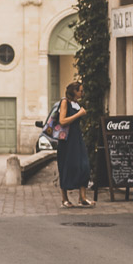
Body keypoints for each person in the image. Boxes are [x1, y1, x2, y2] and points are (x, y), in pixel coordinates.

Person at [57, 80, 93, 208]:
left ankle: (82, 198)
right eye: (80, 91)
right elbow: (62, 121)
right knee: (66, 167)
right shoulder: (65, 102)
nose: (82, 93)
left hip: (77, 138)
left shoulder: (77, 104)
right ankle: (64, 199)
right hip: (67, 140)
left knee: (84, 166)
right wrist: (79, 114)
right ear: (74, 91)